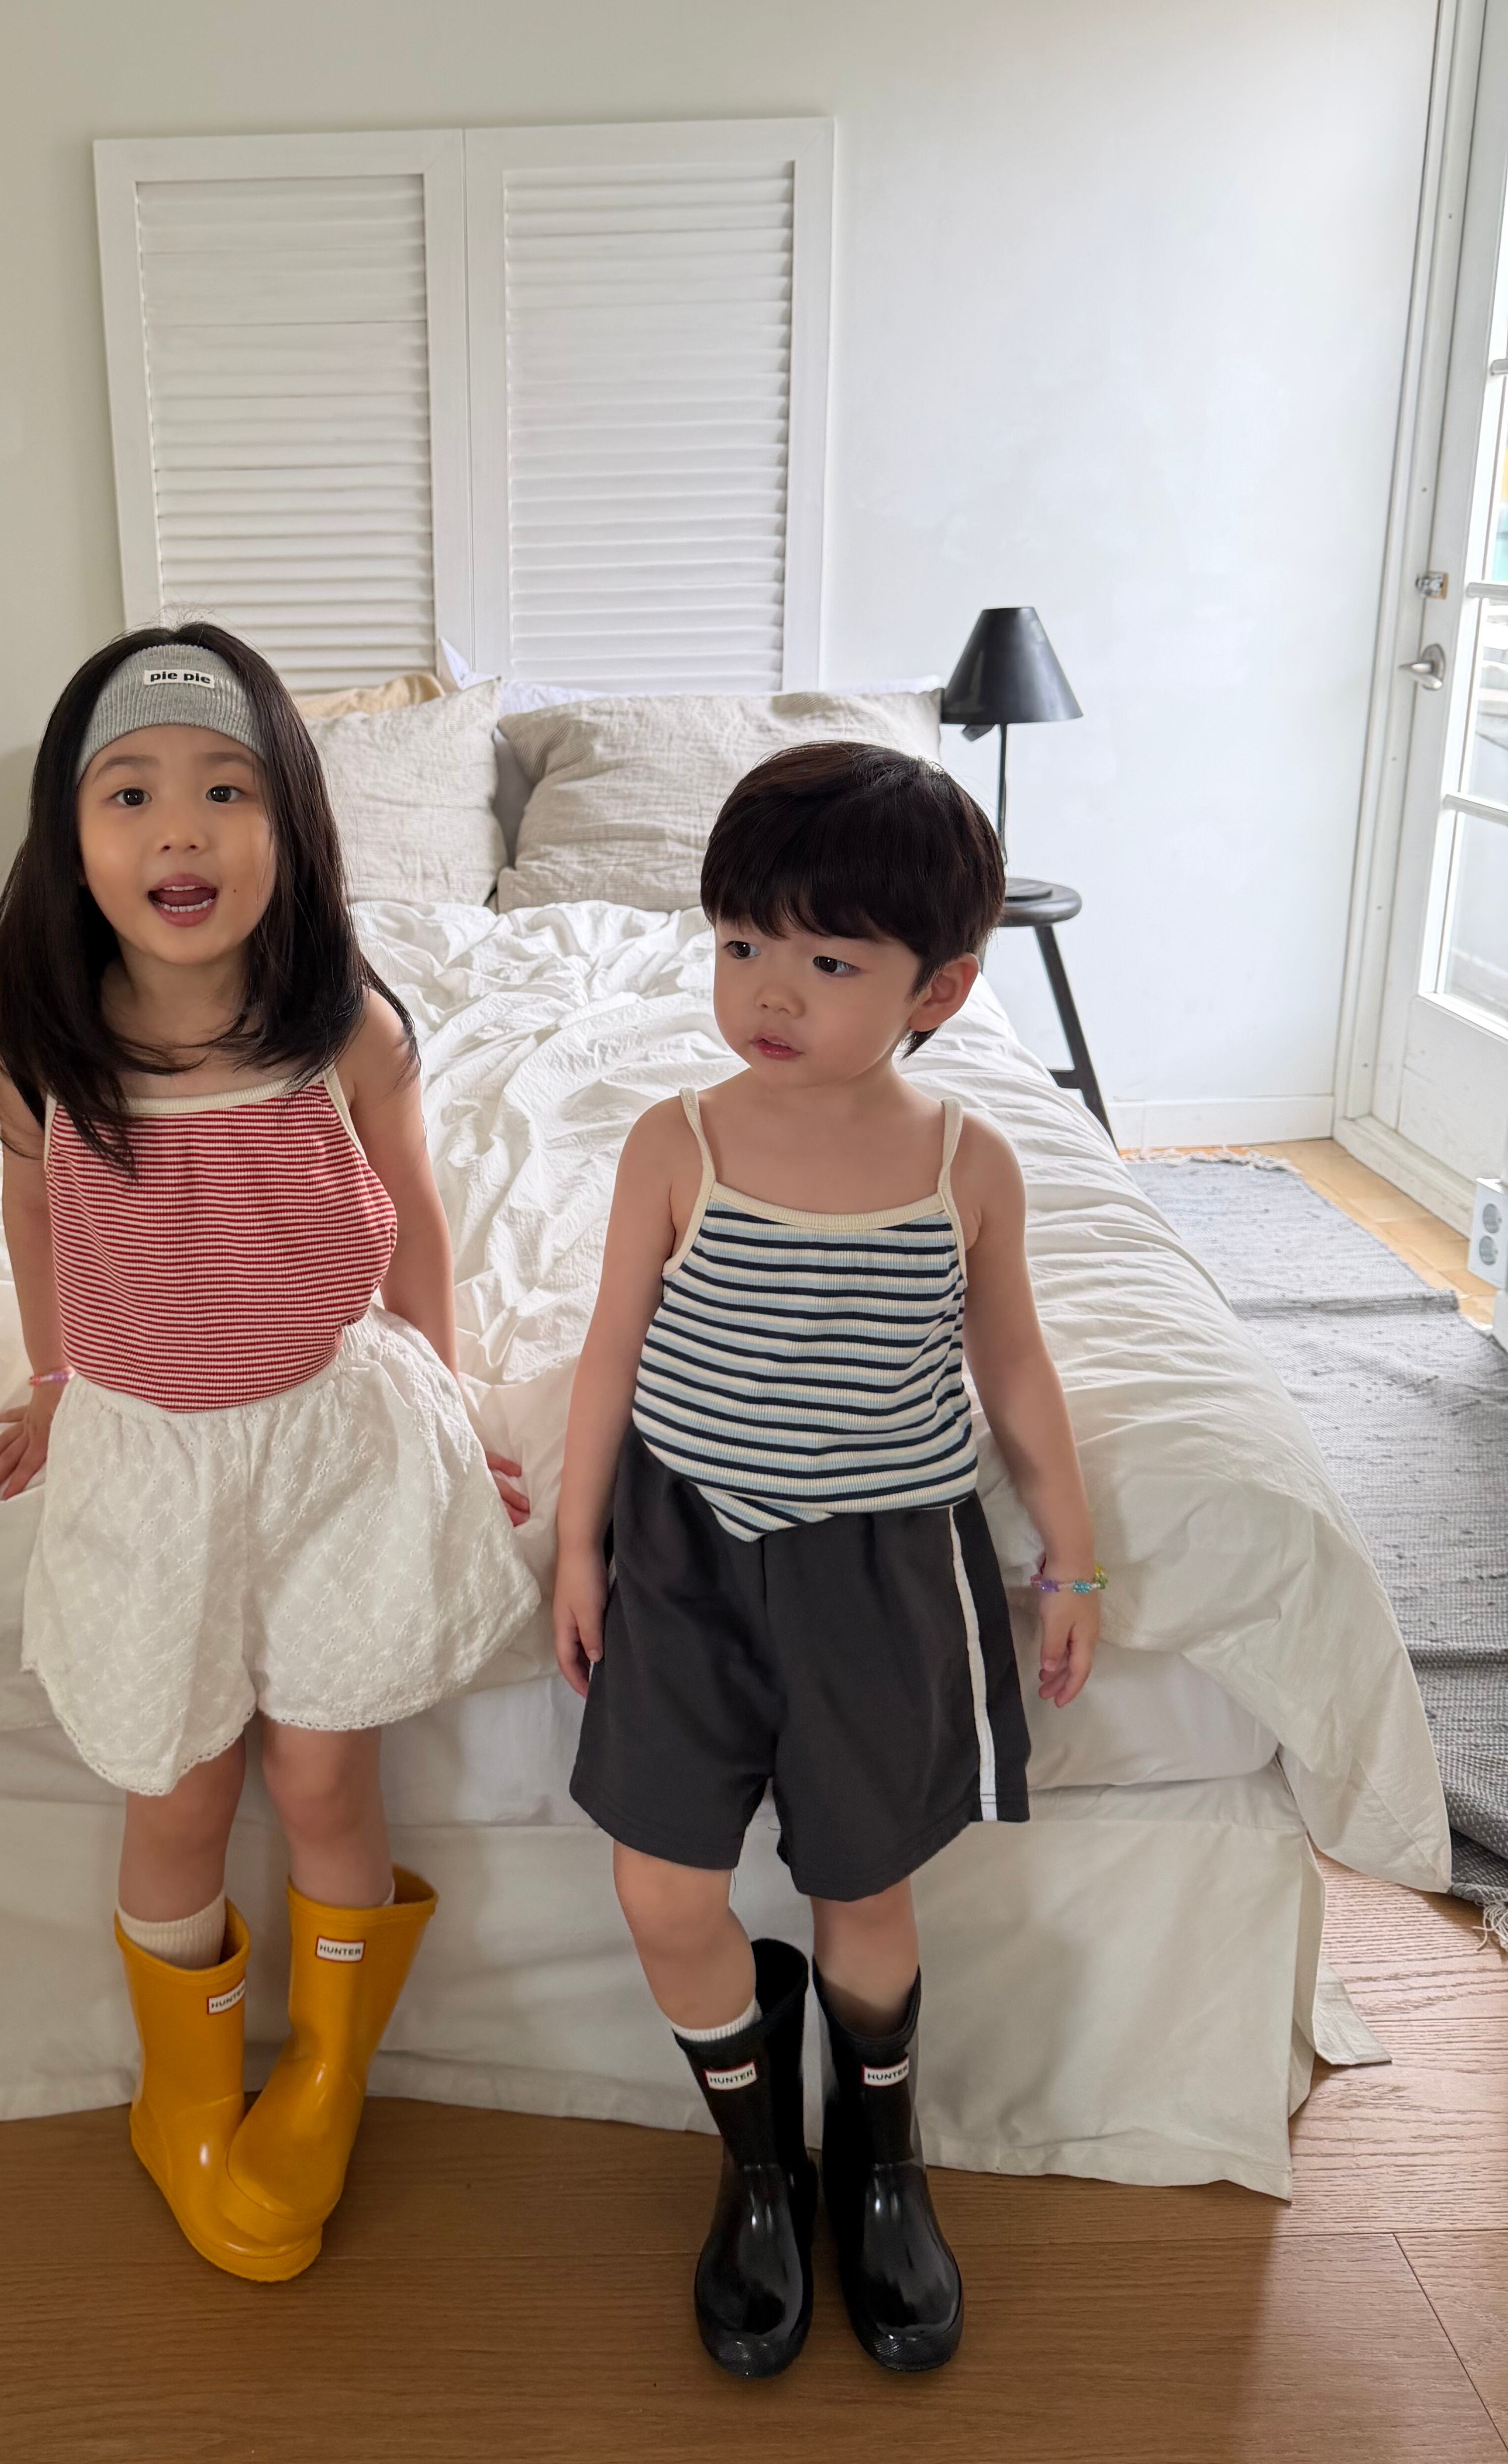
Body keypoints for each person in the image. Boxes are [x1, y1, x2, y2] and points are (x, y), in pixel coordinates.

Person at [0, 624, 540, 2283]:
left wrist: (444, 1390)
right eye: (130, 794)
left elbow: (412, 1214)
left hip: (329, 1444)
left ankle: (328, 2079)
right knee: (176, 1791)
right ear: (70, 835)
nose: (182, 831)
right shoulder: (42, 1043)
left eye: (227, 791)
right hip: (150, 1457)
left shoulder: (345, 1027)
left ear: (291, 821)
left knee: (321, 1778)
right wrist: (57, 1374)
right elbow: (31, 1210)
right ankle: (185, 2100)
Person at [552, 740, 1102, 2381]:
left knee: (863, 1882)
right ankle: (756, 2167)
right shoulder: (676, 1140)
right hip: (688, 1550)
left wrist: (1068, 1554)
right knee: (661, 1890)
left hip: (883, 1565)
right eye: (739, 946)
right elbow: (607, 1351)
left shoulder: (964, 1164)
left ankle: (880, 2163)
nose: (768, 994)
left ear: (941, 987)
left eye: (827, 962)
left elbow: (1012, 1364)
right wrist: (576, 1543)